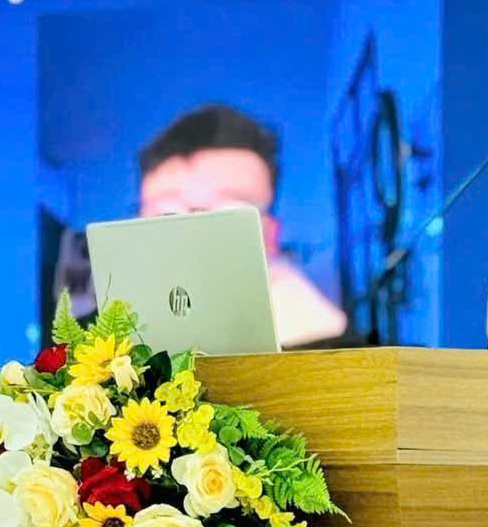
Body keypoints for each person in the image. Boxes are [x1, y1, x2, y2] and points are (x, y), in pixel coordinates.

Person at [136, 104, 347, 347]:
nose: (192, 236)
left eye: (228, 212)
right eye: (166, 214)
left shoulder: (331, 347)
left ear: (270, 235)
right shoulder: (104, 340)